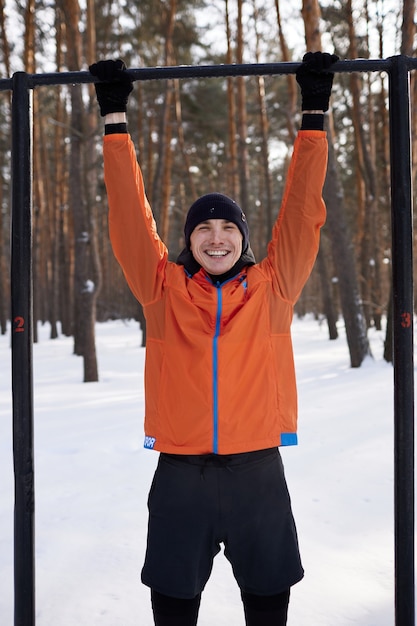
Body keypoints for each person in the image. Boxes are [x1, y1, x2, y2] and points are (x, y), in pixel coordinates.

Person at [89, 51, 337, 626]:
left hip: (258, 475)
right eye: (204, 227)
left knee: (269, 608)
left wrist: (314, 111)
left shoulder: (274, 288)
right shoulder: (162, 291)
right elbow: (129, 217)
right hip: (181, 478)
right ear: (189, 241)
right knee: (174, 609)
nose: (217, 237)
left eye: (228, 227)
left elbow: (302, 212)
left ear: (243, 240)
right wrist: (114, 120)